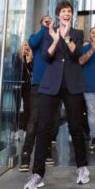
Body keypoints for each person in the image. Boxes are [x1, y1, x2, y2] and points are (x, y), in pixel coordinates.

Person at [23, 1, 89, 189]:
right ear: (58, 15)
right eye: (63, 11)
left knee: (76, 127)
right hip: (50, 84)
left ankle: (82, 167)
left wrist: (66, 37)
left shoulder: (77, 33)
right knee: (43, 127)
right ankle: (37, 174)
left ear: (71, 15)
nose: (66, 14)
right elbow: (46, 56)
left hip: (72, 84)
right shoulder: (48, 32)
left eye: (69, 11)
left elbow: (76, 54)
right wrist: (54, 39)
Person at [19, 15, 56, 172]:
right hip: (38, 84)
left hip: (53, 84)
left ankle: (47, 152)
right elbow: (32, 43)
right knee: (34, 120)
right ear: (41, 23)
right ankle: (26, 156)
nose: (48, 21)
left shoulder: (55, 36)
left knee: (48, 120)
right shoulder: (36, 37)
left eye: (49, 20)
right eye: (45, 20)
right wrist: (44, 28)